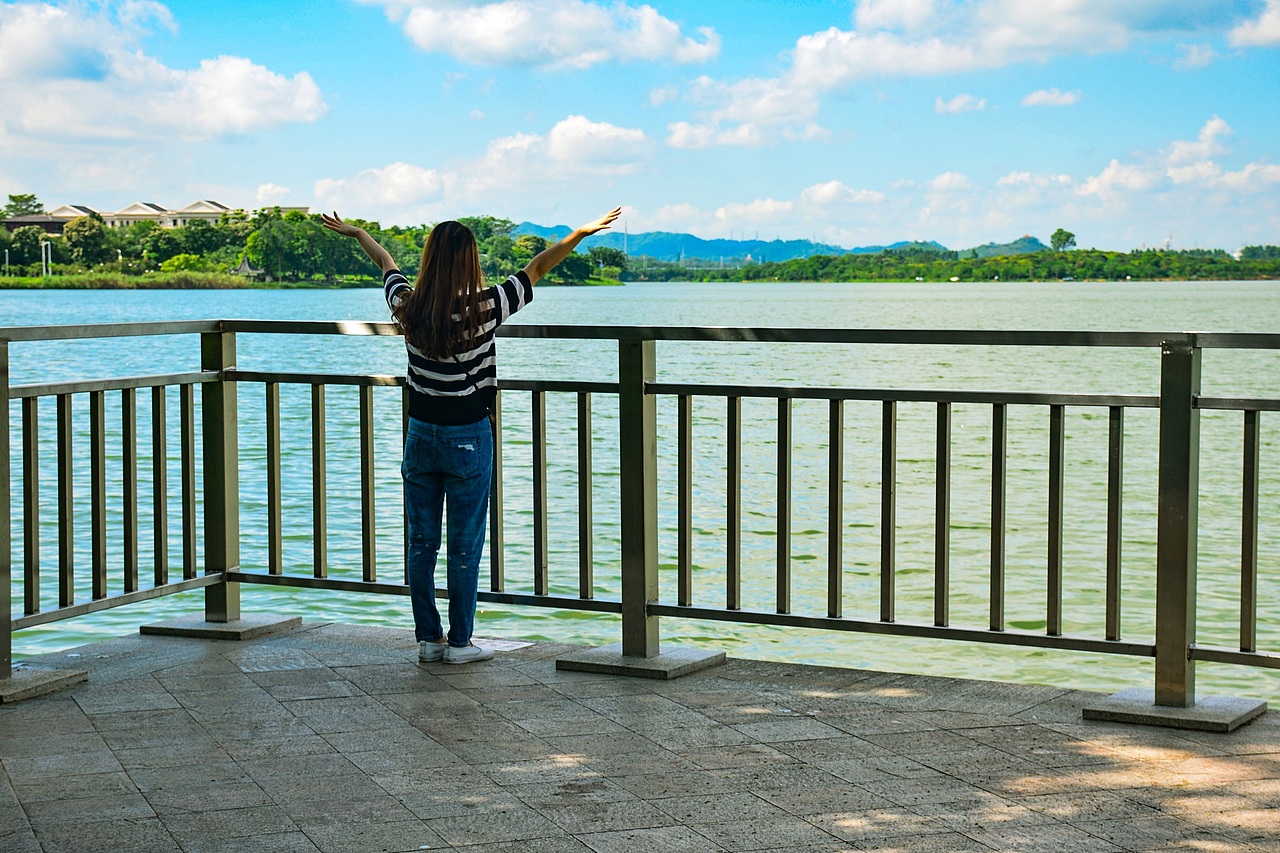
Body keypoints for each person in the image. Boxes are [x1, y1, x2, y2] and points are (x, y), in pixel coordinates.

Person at [321, 207, 622, 664]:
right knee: (464, 546)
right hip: (469, 438)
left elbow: (386, 264)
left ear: (430, 259)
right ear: (469, 262)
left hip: (421, 435)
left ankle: (428, 639)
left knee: (421, 544)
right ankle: (461, 643)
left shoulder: (407, 306)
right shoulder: (488, 305)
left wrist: (358, 232)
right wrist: (580, 232)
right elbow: (538, 265)